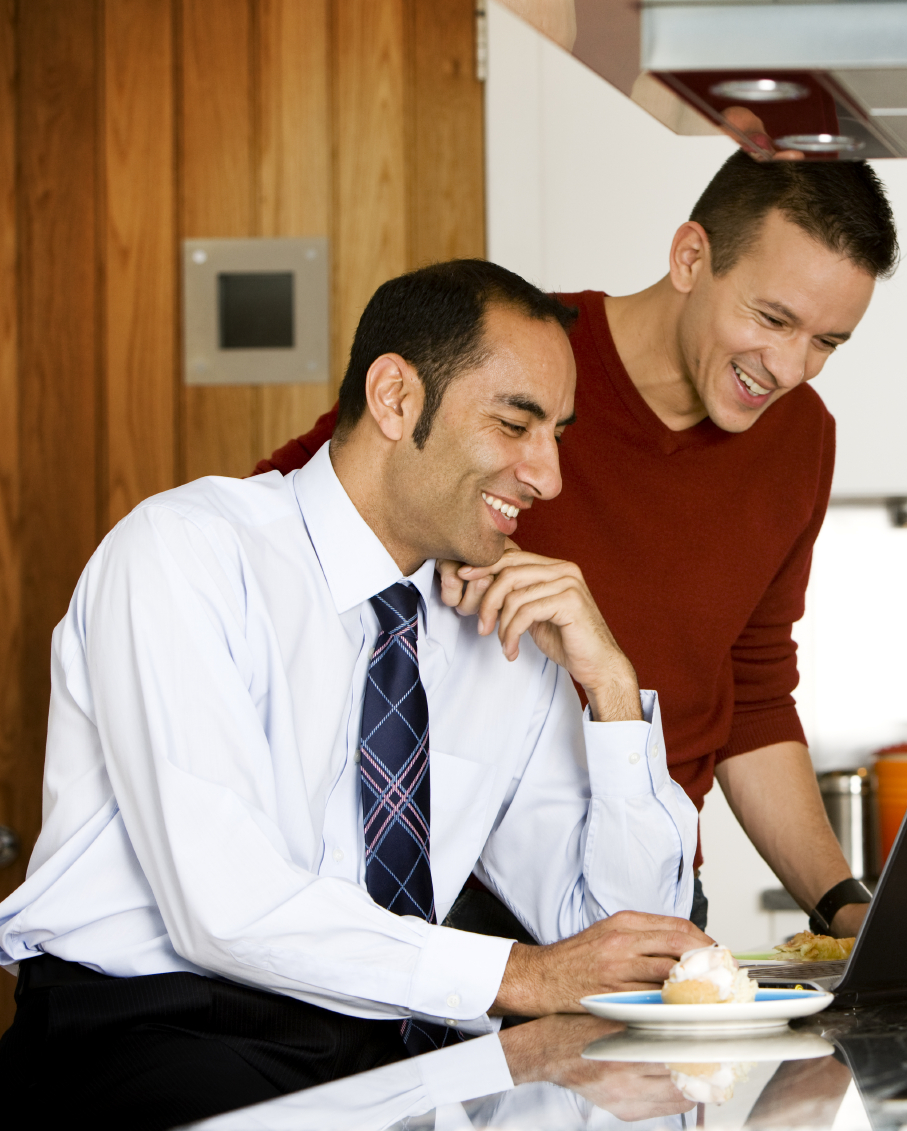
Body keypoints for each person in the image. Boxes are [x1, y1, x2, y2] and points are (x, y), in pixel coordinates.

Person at [0, 260, 711, 1128]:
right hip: (158, 1039)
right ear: (395, 397)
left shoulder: (500, 635)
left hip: (391, 1049)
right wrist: (522, 974)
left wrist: (610, 686)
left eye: (556, 433)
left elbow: (625, 938)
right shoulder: (183, 555)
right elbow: (225, 909)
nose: (549, 475)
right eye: (516, 424)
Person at [257, 152, 900, 939]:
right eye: (772, 319)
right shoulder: (522, 363)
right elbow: (312, 505)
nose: (791, 367)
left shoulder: (801, 440)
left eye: (826, 341)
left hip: (642, 878)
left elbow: (754, 696)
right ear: (690, 258)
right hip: (450, 882)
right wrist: (431, 537)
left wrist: (841, 903)